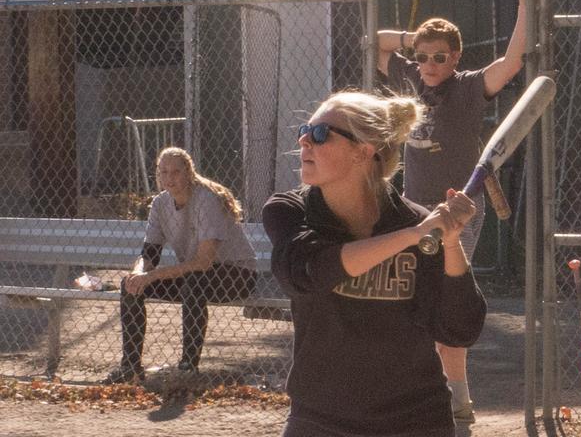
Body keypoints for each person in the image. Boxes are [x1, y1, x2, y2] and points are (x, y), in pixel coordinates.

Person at [262, 91, 486, 436]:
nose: (304, 141)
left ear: (363, 152)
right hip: (320, 417)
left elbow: (459, 329)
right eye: (305, 130)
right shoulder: (291, 211)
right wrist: (412, 236)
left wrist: (452, 242)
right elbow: (307, 273)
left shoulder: (414, 222)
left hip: (414, 419)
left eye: (320, 134)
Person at [376, 0, 532, 423]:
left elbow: (512, 62)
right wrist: (412, 38)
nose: (430, 65)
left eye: (440, 57)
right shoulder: (410, 76)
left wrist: (524, 6)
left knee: (448, 296)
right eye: (423, 56)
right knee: (413, 295)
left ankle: (458, 397)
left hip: (458, 210)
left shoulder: (467, 87)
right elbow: (374, 41)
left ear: (456, 58)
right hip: (413, 205)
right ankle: (427, 393)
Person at [103, 147, 257, 384]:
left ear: (189, 173)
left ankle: (187, 368)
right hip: (196, 274)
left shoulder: (206, 199)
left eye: (176, 172)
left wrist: (153, 276)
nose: (169, 178)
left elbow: (204, 262)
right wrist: (138, 273)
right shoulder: (160, 204)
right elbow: (149, 254)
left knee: (193, 283)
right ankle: (130, 368)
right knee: (130, 285)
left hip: (237, 274)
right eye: (163, 172)